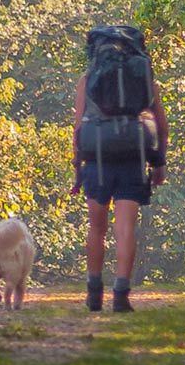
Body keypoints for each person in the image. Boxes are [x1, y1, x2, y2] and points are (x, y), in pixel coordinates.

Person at [72, 35, 168, 313]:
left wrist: (78, 168)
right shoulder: (144, 79)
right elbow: (162, 126)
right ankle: (121, 295)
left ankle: (93, 292)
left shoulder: (87, 79)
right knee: (125, 227)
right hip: (132, 158)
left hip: (97, 160)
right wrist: (159, 163)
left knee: (96, 228)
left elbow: (78, 128)